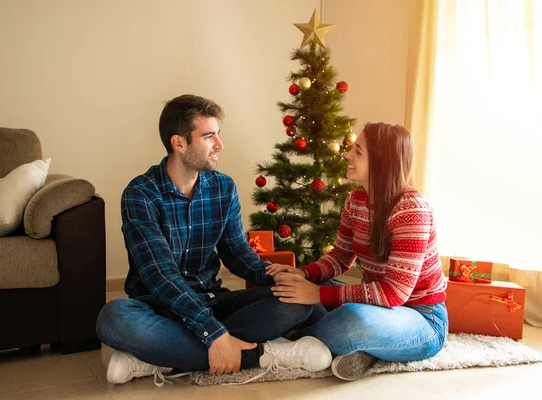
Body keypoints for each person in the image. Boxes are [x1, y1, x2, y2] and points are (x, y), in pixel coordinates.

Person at [96, 94, 331, 386]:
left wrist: (274, 274)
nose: (220, 145)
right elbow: (160, 277)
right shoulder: (141, 193)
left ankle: (153, 357)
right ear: (179, 143)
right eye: (209, 136)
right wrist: (214, 334)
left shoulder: (223, 187)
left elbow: (237, 254)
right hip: (159, 306)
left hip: (213, 301)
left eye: (218, 135)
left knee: (296, 301)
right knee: (114, 317)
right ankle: (263, 355)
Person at [266, 122, 448, 381]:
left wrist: (317, 294)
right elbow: (340, 257)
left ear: (382, 162)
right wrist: (304, 275)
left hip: (423, 318)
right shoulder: (356, 200)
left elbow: (394, 293)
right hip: (378, 305)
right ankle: (365, 350)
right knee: (296, 286)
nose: (348, 155)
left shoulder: (411, 209)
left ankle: (291, 342)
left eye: (358, 151)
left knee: (353, 319)